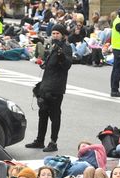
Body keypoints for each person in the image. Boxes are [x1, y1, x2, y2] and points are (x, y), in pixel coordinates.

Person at [28, 24, 70, 152]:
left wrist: (61, 54)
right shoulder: (52, 46)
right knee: (43, 114)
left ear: (63, 35)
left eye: (58, 33)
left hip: (56, 87)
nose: (55, 35)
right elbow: (48, 65)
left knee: (55, 115)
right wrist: (41, 62)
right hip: (46, 85)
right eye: (54, 33)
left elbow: (67, 65)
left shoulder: (66, 47)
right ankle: (40, 140)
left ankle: (53, 142)